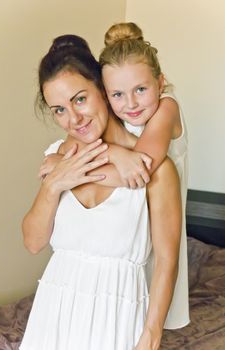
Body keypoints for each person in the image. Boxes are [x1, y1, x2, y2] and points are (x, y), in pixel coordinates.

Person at [20, 34, 182, 350]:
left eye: (80, 99)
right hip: (54, 313)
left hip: (117, 316)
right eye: (59, 109)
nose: (73, 119)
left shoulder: (154, 169)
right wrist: (54, 184)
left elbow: (166, 261)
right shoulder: (58, 158)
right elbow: (33, 242)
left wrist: (151, 336)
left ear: (103, 91)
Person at [99, 22, 189, 328]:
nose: (131, 103)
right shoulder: (114, 114)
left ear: (160, 82)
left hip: (161, 226)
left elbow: (142, 166)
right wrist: (112, 154)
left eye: (141, 89)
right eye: (118, 94)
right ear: (106, 95)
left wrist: (75, 173)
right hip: (127, 229)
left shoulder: (167, 108)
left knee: (152, 302)